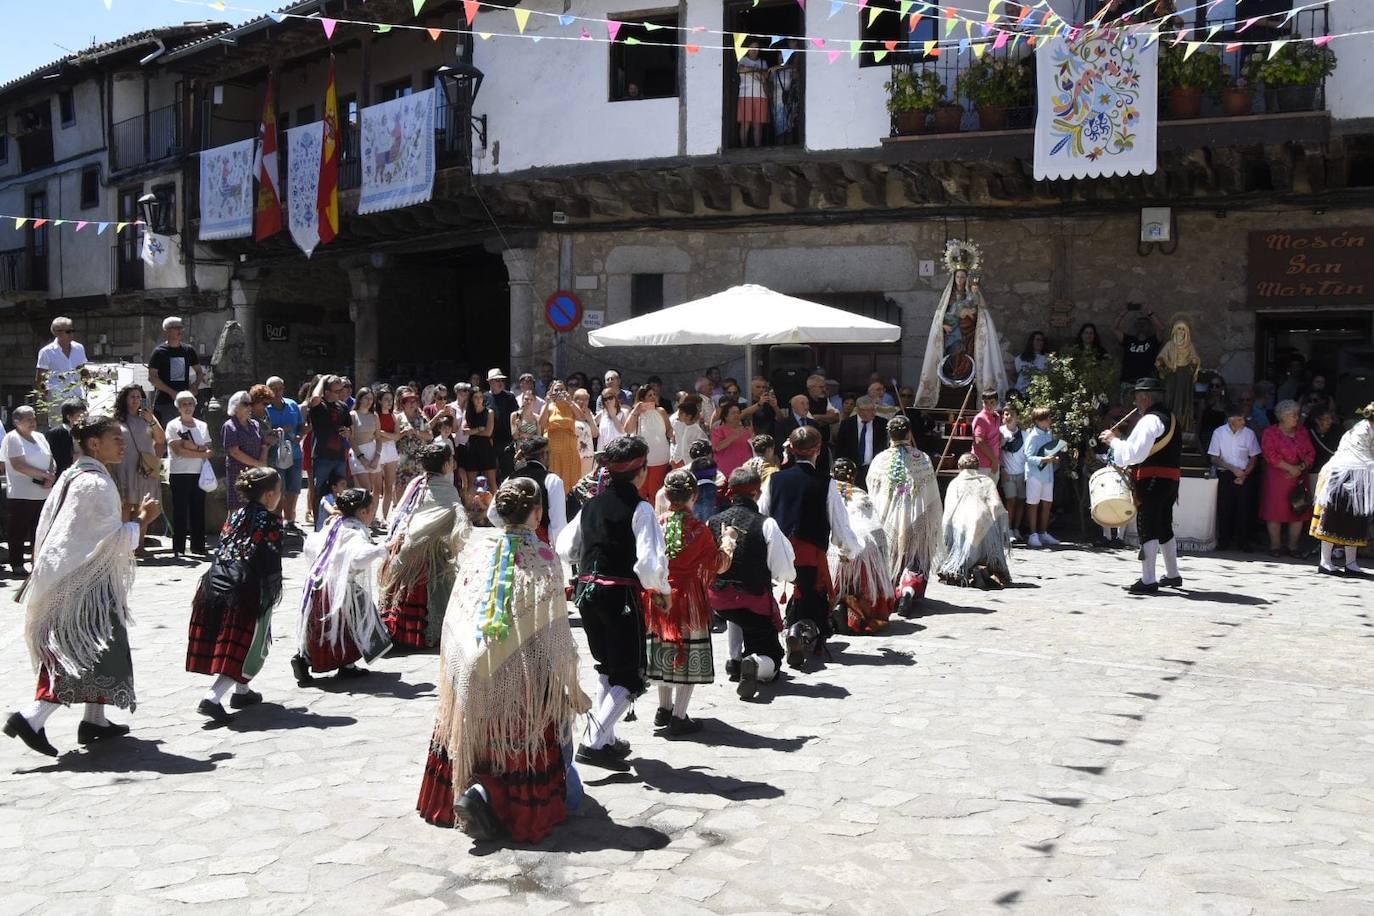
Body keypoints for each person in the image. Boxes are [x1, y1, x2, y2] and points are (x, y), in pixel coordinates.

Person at [417, 477, 590, 842]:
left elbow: (458, 613)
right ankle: (493, 797)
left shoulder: (479, 552)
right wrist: (567, 685)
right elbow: (556, 633)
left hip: (471, 671)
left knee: (476, 732)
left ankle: (475, 789)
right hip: (524, 679)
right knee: (568, 788)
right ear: (538, 513)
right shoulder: (545, 558)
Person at [4, 416, 160, 756]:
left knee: (100, 648)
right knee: (87, 651)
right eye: (115, 439)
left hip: (70, 575)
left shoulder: (75, 474)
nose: (122, 444)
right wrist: (143, 519)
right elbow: (112, 540)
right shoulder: (95, 484)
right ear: (93, 444)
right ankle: (32, 718)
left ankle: (95, 722)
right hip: (83, 583)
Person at [555, 435, 670, 770]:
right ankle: (593, 741)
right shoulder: (641, 508)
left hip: (587, 593)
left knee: (608, 667)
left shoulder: (591, 505)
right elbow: (649, 563)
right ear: (640, 471)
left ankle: (604, 740)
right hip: (620, 596)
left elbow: (566, 548)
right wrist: (661, 589)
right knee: (630, 674)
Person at [186, 468, 284, 723]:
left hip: (217, 582)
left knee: (239, 642)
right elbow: (270, 559)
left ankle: (243, 691)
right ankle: (212, 697)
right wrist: (271, 591)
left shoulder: (236, 515)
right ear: (271, 494)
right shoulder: (271, 519)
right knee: (245, 646)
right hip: (245, 589)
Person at [759, 426, 860, 669]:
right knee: (814, 596)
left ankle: (791, 631)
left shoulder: (774, 480)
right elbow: (840, 524)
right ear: (817, 450)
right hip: (810, 553)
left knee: (788, 593)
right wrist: (850, 550)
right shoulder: (827, 484)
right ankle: (804, 634)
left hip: (779, 552)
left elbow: (762, 515)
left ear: (791, 449)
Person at [647, 470, 733, 735]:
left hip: (660, 596)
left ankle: (663, 708)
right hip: (689, 598)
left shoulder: (656, 523)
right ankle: (680, 716)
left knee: (665, 647)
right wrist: (728, 543)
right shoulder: (699, 530)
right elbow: (718, 565)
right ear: (694, 496)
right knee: (689, 652)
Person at [708, 465, 795, 701]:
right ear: (756, 492)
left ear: (731, 491)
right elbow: (782, 569)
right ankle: (755, 663)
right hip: (752, 598)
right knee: (772, 655)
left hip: (718, 599)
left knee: (736, 609)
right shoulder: (765, 524)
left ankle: (734, 660)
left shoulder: (713, 521)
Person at [293, 488, 390, 685]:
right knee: (343, 628)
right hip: (338, 590)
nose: (373, 514)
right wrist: (382, 549)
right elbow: (357, 558)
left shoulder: (334, 524)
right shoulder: (354, 532)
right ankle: (343, 665)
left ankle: (306, 658)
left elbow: (311, 545)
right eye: (372, 509)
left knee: (321, 628)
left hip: (319, 584)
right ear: (363, 512)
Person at [379, 442, 471, 649]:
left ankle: (397, 632)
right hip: (427, 556)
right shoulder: (446, 489)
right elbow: (456, 517)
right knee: (431, 592)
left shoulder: (417, 483)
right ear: (447, 464)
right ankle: (418, 634)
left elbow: (402, 512)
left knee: (402, 591)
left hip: (406, 547)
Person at [1101, 378, 1183, 594]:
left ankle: (1148, 579)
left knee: (1148, 524)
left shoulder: (1149, 420)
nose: (1135, 402)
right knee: (1164, 523)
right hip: (1171, 481)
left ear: (1145, 397)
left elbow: (1133, 454)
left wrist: (1113, 441)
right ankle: (1173, 574)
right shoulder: (1171, 418)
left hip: (1152, 480)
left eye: (1137, 397)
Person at [867, 416, 943, 615]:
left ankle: (891, 591)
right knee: (915, 556)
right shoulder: (922, 458)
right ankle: (909, 588)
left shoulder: (879, 459)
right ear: (909, 433)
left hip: (887, 516)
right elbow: (931, 491)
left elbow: (872, 489)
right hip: (915, 515)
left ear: (889, 435)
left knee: (889, 556)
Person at [828, 459, 896, 635]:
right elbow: (876, 530)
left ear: (832, 474)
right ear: (855, 477)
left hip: (835, 548)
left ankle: (838, 608)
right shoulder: (861, 495)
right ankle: (854, 614)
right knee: (864, 580)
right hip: (863, 548)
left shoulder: (826, 493)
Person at [1311, 403, 1374, 576]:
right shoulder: (1361, 431)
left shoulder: (1365, 428)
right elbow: (1364, 457)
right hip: (1343, 476)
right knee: (1333, 518)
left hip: (1357, 477)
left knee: (1355, 521)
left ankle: (1351, 563)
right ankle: (1325, 562)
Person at [937, 453, 1013, 589]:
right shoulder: (987, 481)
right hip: (985, 523)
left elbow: (949, 511)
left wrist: (945, 536)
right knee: (990, 554)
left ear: (959, 467)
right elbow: (996, 505)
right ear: (978, 466)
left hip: (962, 523)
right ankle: (987, 570)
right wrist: (1001, 526)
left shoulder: (955, 483)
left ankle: (967, 571)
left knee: (957, 564)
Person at [2, 406, 56, 576]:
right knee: (18, 530)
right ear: (17, 422)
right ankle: (17, 563)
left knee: (40, 530)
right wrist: (44, 475)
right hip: (22, 494)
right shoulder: (13, 438)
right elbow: (18, 465)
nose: (33, 422)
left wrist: (51, 475)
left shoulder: (40, 436)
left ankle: (38, 561)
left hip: (43, 492)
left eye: (33, 418)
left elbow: (50, 458)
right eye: (28, 419)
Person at [1260, 399, 1316, 559]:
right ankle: (1275, 546)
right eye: (1293, 415)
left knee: (1297, 511)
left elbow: (1310, 453)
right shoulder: (1271, 432)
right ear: (1282, 416)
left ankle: (1293, 547)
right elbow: (1270, 454)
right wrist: (1290, 468)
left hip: (1298, 478)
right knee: (1275, 512)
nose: (1297, 418)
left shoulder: (1302, 431)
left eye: (1298, 415)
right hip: (1277, 478)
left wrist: (1301, 467)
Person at [110, 384, 166, 535]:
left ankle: (139, 546)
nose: (136, 400)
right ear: (125, 399)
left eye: (138, 397)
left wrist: (151, 419)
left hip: (145, 467)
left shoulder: (148, 418)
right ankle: (125, 543)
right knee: (126, 505)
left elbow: (161, 439)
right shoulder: (116, 419)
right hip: (124, 466)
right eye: (132, 397)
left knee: (143, 504)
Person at [1208, 402, 1262, 552]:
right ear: (1231, 420)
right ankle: (1224, 540)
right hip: (1225, 474)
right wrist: (1233, 469)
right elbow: (1214, 458)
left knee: (1244, 508)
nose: (1243, 422)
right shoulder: (1219, 432)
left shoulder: (1249, 434)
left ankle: (1243, 541)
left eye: (1244, 419)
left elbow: (1254, 457)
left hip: (1245, 475)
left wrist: (1245, 474)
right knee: (1224, 507)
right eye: (1240, 419)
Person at [165, 391, 212, 556]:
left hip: (199, 472)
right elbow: (179, 452)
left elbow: (209, 450)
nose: (187, 407)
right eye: (184, 404)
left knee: (198, 510)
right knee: (180, 510)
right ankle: (178, 547)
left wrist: (192, 447)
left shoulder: (202, 425)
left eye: (190, 403)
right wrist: (199, 450)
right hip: (179, 473)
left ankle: (198, 546)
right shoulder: (173, 425)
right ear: (178, 407)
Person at [500, 436, 567, 545]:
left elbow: (492, 513)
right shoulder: (552, 480)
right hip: (541, 548)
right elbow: (558, 525)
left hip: (512, 546)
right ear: (543, 455)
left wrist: (512, 530)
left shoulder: (510, 478)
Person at [265, 376, 305, 529]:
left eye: (280, 388)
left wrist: (299, 435)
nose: (277, 392)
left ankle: (291, 520)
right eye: (274, 389)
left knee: (294, 489)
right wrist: (277, 432)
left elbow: (301, 425)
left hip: (295, 454)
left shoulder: (292, 404)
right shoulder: (265, 409)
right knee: (278, 490)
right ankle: (277, 521)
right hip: (275, 456)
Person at [1022, 407, 1065, 549]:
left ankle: (1043, 532)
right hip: (1035, 475)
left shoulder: (1049, 433)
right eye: (1045, 419)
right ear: (1037, 421)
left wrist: (1054, 459)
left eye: (1048, 418)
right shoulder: (1032, 436)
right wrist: (1044, 459)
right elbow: (1028, 457)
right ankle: (1033, 534)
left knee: (1047, 504)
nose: (1049, 421)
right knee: (1033, 504)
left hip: (1048, 474)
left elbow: (1050, 450)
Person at [147, 316, 201, 424]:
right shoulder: (159, 352)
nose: (180, 330)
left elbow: (199, 372)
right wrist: (172, 392)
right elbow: (152, 377)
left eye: (181, 328)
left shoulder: (189, 350)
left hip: (185, 402)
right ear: (167, 331)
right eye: (176, 328)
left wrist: (195, 385)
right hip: (165, 403)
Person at [539, 381, 591, 494]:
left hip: (569, 450)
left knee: (570, 484)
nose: (559, 392)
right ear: (551, 392)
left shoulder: (571, 405)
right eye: (556, 390)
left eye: (561, 389)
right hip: (553, 451)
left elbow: (582, 418)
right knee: (553, 483)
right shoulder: (548, 406)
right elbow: (541, 423)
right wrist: (547, 402)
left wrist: (571, 402)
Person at [624, 384, 674, 501]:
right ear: (642, 398)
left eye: (654, 395)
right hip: (642, 459)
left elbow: (669, 430)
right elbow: (627, 429)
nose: (652, 397)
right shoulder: (636, 414)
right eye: (649, 395)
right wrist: (636, 411)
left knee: (655, 492)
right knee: (640, 491)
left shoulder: (661, 411)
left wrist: (675, 435)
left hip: (660, 457)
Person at [223, 391, 267, 516]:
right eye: (246, 404)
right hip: (238, 472)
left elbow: (263, 445)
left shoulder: (255, 425)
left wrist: (262, 464)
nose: (250, 407)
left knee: (254, 505)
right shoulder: (230, 426)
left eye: (250, 404)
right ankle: (230, 535)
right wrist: (258, 463)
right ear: (236, 406)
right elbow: (234, 452)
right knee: (236, 509)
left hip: (255, 472)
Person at [35, 317, 87, 421]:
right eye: (68, 331)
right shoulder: (46, 352)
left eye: (73, 331)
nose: (71, 334)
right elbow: (39, 380)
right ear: (56, 333)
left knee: (80, 427)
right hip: (57, 399)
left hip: (77, 396)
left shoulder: (79, 348)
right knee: (59, 429)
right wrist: (50, 397)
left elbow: (82, 370)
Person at [307, 375, 353, 495]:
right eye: (337, 391)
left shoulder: (342, 406)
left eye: (341, 390)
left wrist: (348, 432)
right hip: (322, 456)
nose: (340, 393)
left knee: (340, 491)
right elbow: (315, 398)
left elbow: (350, 429)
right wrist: (323, 379)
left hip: (339, 456)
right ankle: (318, 514)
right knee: (320, 491)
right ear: (326, 392)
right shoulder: (319, 406)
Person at [1155, 319, 1201, 435]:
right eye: (1179, 328)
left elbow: (1194, 359)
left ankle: (1181, 425)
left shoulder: (1189, 346)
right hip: (1171, 375)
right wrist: (1161, 361)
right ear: (1175, 331)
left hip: (1184, 376)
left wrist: (1194, 361)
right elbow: (1162, 357)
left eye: (1183, 329)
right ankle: (1168, 423)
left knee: (1183, 400)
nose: (1181, 331)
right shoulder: (1170, 345)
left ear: (1186, 332)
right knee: (1169, 397)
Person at [1113, 306, 1165, 404]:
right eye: (1139, 324)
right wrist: (1124, 312)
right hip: (1128, 383)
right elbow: (1115, 329)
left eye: (1144, 324)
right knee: (1127, 412)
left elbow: (1161, 328)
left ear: (1149, 326)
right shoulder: (1129, 340)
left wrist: (1150, 313)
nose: (1141, 326)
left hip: (1146, 384)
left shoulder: (1153, 341)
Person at [835, 396, 888, 490]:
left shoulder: (882, 424)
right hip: (853, 470)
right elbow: (840, 449)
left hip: (874, 469)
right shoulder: (847, 424)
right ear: (859, 410)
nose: (873, 412)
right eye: (868, 410)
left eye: (873, 409)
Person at [395, 387, 434, 497]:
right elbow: (395, 437)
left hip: (419, 460)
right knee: (401, 486)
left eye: (414, 401)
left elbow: (430, 436)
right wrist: (403, 433)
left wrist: (416, 432)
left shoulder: (422, 418)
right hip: (403, 460)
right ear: (403, 404)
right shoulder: (398, 418)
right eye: (408, 401)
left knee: (419, 487)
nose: (411, 404)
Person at [463, 388, 499, 504]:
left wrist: (472, 431)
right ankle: (469, 510)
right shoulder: (468, 412)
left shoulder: (489, 412)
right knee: (471, 483)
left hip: (486, 448)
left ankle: (497, 510)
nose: (478, 400)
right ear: (472, 399)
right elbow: (464, 431)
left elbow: (488, 432)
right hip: (472, 448)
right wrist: (478, 429)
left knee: (492, 482)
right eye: (475, 397)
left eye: (480, 397)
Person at [999, 403, 1027, 541]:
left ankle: (1016, 529)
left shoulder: (1024, 435)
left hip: (1021, 473)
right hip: (1007, 473)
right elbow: (996, 452)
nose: (1008, 417)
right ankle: (1008, 530)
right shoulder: (999, 432)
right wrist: (1001, 469)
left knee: (1021, 501)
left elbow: (1028, 454)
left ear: (1017, 417)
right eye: (1005, 414)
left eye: (1011, 414)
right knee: (1010, 500)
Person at [486, 369, 518, 483]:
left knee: (508, 473)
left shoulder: (510, 397)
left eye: (501, 380)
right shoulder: (484, 397)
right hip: (489, 442)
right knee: (490, 474)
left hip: (507, 442)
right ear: (490, 382)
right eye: (496, 380)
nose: (500, 383)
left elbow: (516, 417)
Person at [736, 41, 769, 148]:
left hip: (761, 96)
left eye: (756, 48)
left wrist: (749, 71)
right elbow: (740, 69)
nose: (754, 51)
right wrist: (756, 71)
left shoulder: (763, 62)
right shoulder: (742, 60)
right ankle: (743, 149)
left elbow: (764, 77)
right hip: (745, 96)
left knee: (757, 125)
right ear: (747, 49)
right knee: (745, 124)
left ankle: (757, 149)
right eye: (752, 48)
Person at [350, 388, 380, 496]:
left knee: (370, 489)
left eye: (371, 399)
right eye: (366, 398)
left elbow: (378, 438)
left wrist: (376, 457)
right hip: (358, 451)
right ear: (360, 399)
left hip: (372, 451)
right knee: (365, 489)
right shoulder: (353, 415)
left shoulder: (374, 416)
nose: (369, 401)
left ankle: (368, 512)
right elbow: (351, 438)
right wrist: (361, 457)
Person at [44, 399, 86, 477]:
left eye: (84, 415)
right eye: (79, 416)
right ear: (69, 417)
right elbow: (56, 459)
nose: (83, 419)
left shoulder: (85, 432)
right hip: (64, 476)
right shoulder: (55, 434)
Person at [971, 391, 1002, 482]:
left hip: (993, 464)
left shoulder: (997, 416)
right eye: (985, 402)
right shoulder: (980, 418)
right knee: (981, 495)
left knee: (991, 495)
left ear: (997, 402)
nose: (989, 406)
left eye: (992, 402)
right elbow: (979, 441)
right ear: (982, 402)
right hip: (982, 465)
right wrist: (994, 460)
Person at [671, 396, 709, 469]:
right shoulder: (677, 424)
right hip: (676, 459)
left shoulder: (697, 430)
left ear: (689, 416)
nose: (678, 415)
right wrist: (672, 458)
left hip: (689, 462)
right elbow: (674, 441)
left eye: (681, 413)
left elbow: (704, 446)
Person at [1307, 406, 1342, 476]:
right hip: (1315, 471)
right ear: (1317, 420)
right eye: (1326, 419)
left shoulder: (1338, 430)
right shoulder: (1309, 433)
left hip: (1336, 470)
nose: (1330, 421)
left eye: (1331, 418)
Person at [572, 388, 596, 478]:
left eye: (586, 399)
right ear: (574, 400)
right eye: (580, 399)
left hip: (587, 455)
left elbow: (595, 434)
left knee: (585, 481)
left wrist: (589, 419)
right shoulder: (570, 413)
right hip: (573, 454)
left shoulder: (589, 413)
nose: (583, 402)